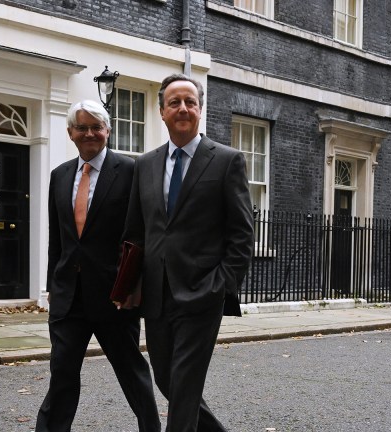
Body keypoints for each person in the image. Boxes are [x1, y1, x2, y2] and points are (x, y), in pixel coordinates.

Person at [123, 74, 254, 431]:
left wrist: (222, 285)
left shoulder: (227, 161)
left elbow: (242, 233)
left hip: (202, 292)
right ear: (162, 111)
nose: (183, 108)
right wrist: (130, 284)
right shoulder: (145, 165)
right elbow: (136, 231)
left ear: (200, 109)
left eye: (190, 102)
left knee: (184, 383)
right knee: (167, 378)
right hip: (157, 293)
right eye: (174, 102)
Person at [36, 100, 160, 432]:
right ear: (70, 133)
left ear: (108, 130)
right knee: (62, 374)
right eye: (82, 127)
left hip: (115, 296)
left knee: (131, 372)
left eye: (96, 126)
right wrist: (52, 286)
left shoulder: (131, 171)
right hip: (68, 297)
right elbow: (58, 238)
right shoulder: (59, 175)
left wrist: (134, 287)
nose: (89, 133)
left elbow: (142, 234)